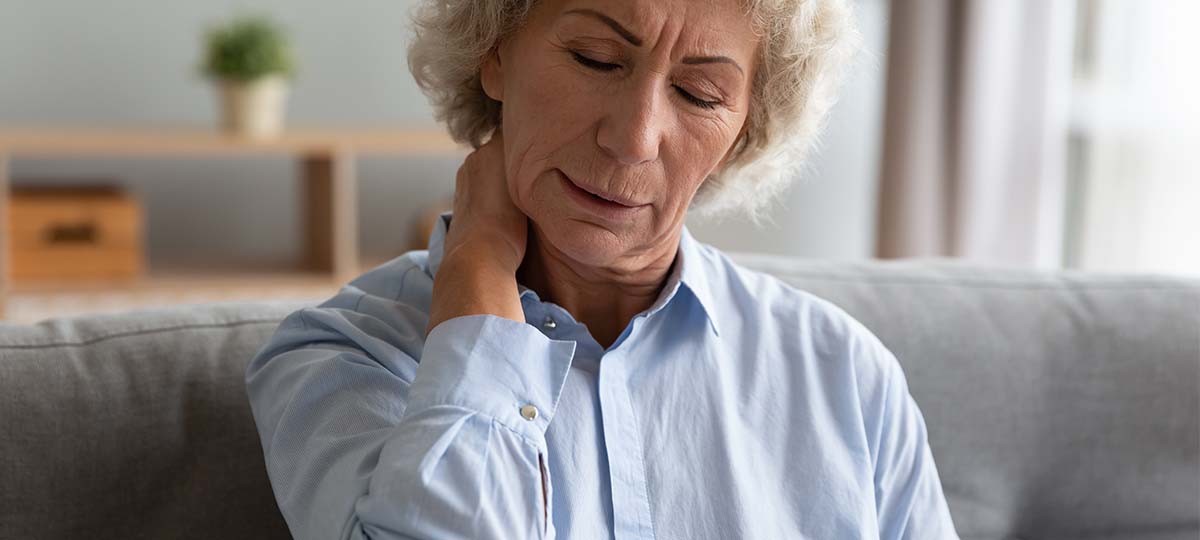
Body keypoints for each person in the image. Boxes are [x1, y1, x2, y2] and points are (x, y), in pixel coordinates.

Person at [245, 0, 960, 538]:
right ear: (495, 51)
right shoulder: (340, 356)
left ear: (746, 128)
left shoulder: (847, 377)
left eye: (700, 95)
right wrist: (478, 266)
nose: (633, 138)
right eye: (595, 58)